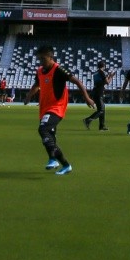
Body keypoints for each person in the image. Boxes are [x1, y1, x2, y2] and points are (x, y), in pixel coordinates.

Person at [24, 43, 95, 176]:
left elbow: (78, 82)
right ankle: (66, 165)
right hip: (45, 109)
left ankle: (52, 160)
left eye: (43, 59)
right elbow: (36, 84)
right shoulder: (40, 71)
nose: (41, 62)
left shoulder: (59, 70)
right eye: (39, 59)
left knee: (43, 129)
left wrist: (86, 97)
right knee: (50, 138)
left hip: (57, 107)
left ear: (51, 57)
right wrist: (28, 96)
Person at [83, 59, 114, 131]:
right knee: (101, 110)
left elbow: (102, 82)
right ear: (104, 66)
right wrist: (111, 76)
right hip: (99, 92)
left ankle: (101, 126)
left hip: (95, 92)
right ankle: (88, 120)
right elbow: (107, 82)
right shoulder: (102, 72)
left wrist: (108, 76)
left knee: (102, 109)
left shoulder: (95, 73)